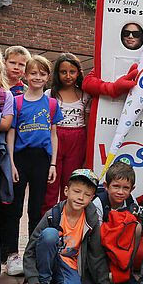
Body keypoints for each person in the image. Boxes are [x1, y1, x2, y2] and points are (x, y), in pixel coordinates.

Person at [23, 169, 122, 284]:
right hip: (47, 260)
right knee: (50, 235)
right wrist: (33, 283)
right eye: (76, 191)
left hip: (68, 264)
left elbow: (96, 254)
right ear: (66, 191)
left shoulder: (91, 219)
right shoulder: (53, 215)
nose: (81, 197)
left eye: (87, 194)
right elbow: (30, 249)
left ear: (92, 198)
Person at [3, 55, 63, 276]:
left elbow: (54, 135)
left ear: (48, 77)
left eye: (42, 73)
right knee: (15, 207)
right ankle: (12, 255)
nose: (38, 77)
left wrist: (53, 163)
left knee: (36, 208)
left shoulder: (52, 103)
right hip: (20, 158)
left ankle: (33, 251)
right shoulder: (16, 101)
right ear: (26, 76)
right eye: (33, 73)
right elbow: (11, 132)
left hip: (42, 159)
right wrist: (10, 162)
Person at [44, 53, 90, 215]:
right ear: (57, 74)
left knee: (70, 183)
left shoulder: (85, 94)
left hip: (77, 139)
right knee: (51, 183)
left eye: (72, 71)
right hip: (55, 138)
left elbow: (88, 124)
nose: (68, 75)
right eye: (63, 72)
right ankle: (47, 220)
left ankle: (66, 220)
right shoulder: (50, 94)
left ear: (78, 72)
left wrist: (87, 153)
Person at [93, 162, 143, 284]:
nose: (120, 192)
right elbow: (95, 238)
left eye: (125, 188)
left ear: (132, 189)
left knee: (137, 227)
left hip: (120, 244)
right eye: (116, 186)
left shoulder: (131, 201)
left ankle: (126, 272)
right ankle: (104, 275)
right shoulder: (98, 203)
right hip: (101, 244)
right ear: (106, 186)